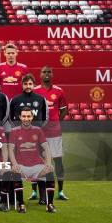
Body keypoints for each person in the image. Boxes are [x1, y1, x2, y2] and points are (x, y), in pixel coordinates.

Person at [8, 108, 56, 213]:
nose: (26, 119)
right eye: (24, 116)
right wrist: (15, 164)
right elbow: (10, 149)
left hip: (37, 166)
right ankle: (21, 204)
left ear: (32, 117)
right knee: (15, 172)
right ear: (20, 117)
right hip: (22, 166)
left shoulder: (38, 130)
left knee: (50, 172)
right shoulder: (14, 131)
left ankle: (50, 204)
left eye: (28, 116)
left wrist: (48, 164)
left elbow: (46, 148)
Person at [34, 66, 69, 200]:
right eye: (44, 72)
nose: (47, 74)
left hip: (54, 133)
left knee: (58, 161)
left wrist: (56, 122)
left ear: (52, 74)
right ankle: (35, 192)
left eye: (49, 72)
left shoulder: (59, 91)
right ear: (40, 75)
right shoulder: (35, 91)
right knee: (38, 162)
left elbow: (64, 110)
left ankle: (60, 191)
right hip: (39, 134)